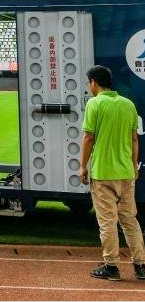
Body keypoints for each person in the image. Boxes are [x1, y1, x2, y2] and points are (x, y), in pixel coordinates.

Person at [79, 65, 145, 281]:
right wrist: (134, 165)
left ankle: (112, 266)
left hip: (103, 173)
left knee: (107, 222)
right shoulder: (128, 105)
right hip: (126, 172)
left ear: (94, 83)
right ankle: (141, 265)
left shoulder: (94, 104)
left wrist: (82, 166)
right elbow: (134, 139)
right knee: (130, 221)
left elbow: (88, 138)